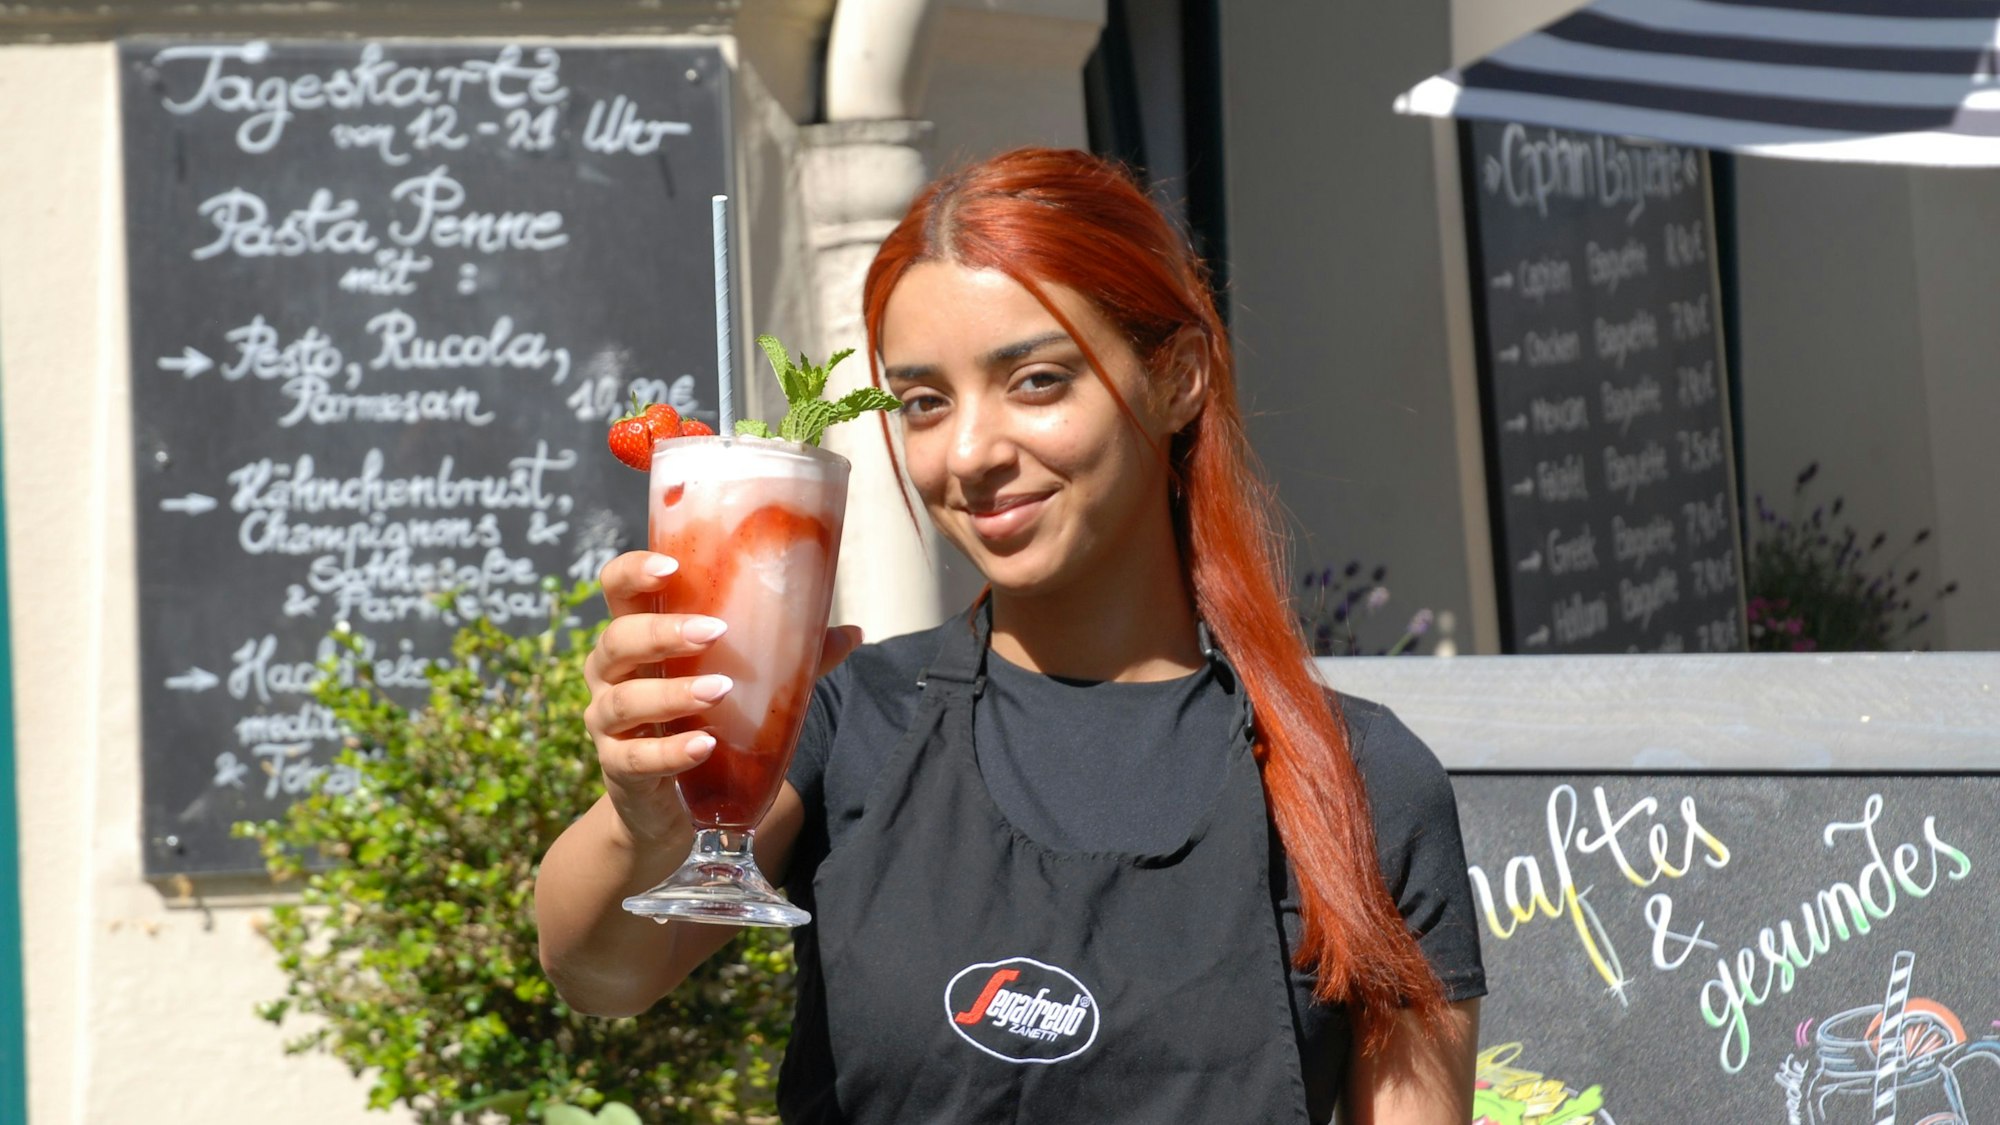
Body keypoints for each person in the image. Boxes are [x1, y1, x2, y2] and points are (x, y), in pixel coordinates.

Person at [536, 147, 1486, 1123]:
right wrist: (641, 823)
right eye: (922, 403)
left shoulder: (1356, 782)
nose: (970, 453)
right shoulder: (852, 719)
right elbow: (602, 973)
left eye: (1034, 381)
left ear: (1178, 379)